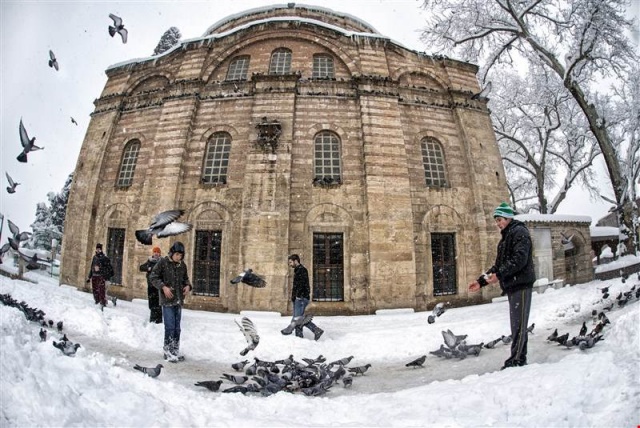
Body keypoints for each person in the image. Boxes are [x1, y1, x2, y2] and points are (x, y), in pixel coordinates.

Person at [468, 202, 535, 370]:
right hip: (513, 285)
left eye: (499, 220)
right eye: (496, 221)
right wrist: (481, 281)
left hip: (521, 284)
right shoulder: (505, 238)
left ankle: (517, 360)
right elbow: (498, 266)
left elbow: (520, 259)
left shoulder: (520, 232)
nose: (498, 224)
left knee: (519, 326)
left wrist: (500, 275)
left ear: (508, 218)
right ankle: (517, 358)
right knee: (516, 325)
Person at [149, 241, 192, 362]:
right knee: (170, 327)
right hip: (167, 301)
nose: (179, 257)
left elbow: (186, 279)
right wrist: (163, 287)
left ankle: (175, 351)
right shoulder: (163, 262)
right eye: (177, 254)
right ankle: (167, 351)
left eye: (181, 255)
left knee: (177, 328)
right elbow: (153, 277)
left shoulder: (182, 265)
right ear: (172, 253)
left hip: (178, 300)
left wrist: (188, 286)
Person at [281, 254, 324, 340]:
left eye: (290, 262)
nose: (289, 264)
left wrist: (298, 296)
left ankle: (315, 330)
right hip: (300, 298)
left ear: (296, 261)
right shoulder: (298, 270)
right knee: (299, 318)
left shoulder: (301, 270)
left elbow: (301, 285)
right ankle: (300, 336)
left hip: (300, 298)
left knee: (298, 319)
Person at [86, 243, 113, 308]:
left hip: (100, 276)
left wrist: (100, 269)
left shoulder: (104, 258)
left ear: (101, 249)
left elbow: (108, 268)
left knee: (101, 290)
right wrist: (89, 277)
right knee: (95, 290)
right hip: (94, 276)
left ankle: (103, 303)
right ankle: (97, 301)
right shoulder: (94, 257)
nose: (98, 250)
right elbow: (92, 267)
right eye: (97, 249)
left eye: (99, 249)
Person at [139, 246, 163, 324]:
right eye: (155, 252)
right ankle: (152, 319)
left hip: (158, 286)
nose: (156, 253)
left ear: (160, 254)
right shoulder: (149, 261)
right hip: (150, 285)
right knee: (152, 302)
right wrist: (148, 268)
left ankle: (159, 320)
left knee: (158, 303)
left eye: (158, 252)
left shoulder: (161, 262)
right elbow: (141, 267)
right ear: (153, 253)